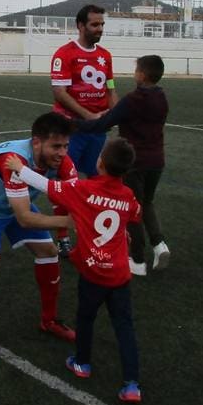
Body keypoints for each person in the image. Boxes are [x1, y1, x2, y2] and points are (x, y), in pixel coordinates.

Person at [5, 137, 144, 403]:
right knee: (124, 327)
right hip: (119, 275)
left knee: (85, 318)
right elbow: (135, 214)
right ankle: (132, 384)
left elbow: (48, 186)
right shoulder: (127, 196)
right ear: (125, 171)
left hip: (93, 273)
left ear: (100, 162)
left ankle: (82, 363)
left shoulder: (83, 189)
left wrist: (19, 169)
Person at [0, 111, 78, 351]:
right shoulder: (12, 160)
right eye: (56, 146)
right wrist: (70, 223)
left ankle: (49, 320)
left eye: (65, 146)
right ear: (36, 142)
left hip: (15, 204)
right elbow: (24, 218)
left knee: (49, 252)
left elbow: (76, 198)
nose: (62, 153)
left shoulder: (63, 161)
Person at [74, 54, 169, 275]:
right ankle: (159, 244)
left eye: (136, 70)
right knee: (147, 202)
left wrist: (73, 124)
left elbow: (102, 125)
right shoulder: (162, 97)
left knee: (132, 208)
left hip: (135, 161)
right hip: (157, 159)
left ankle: (136, 260)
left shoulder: (133, 99)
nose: (134, 73)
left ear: (142, 74)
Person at [50, 3, 117, 176]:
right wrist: (88, 116)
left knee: (96, 176)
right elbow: (59, 92)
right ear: (80, 26)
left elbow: (110, 88)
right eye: (95, 25)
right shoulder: (64, 54)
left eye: (102, 24)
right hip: (71, 128)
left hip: (98, 129)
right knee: (65, 177)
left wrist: (115, 116)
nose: (100, 29)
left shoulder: (105, 55)